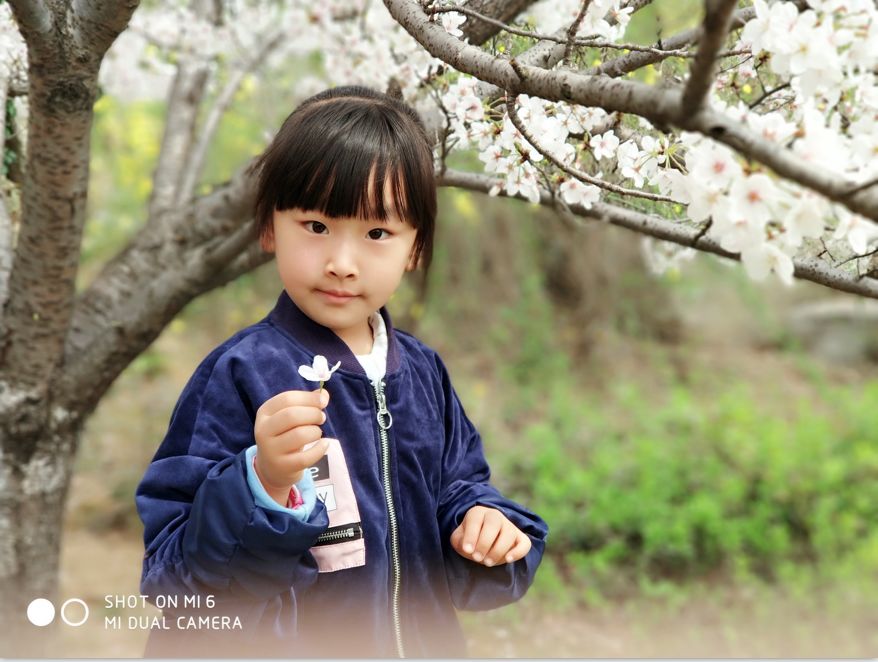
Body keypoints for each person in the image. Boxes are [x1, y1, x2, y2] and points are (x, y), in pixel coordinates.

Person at [136, 85, 548, 658]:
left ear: (415, 248)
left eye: (377, 234)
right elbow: (173, 578)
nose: (341, 263)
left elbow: (458, 487)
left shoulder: (423, 374)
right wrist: (261, 485)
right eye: (316, 225)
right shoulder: (241, 373)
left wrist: (484, 524)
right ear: (270, 226)